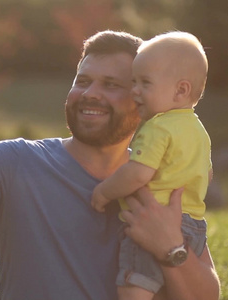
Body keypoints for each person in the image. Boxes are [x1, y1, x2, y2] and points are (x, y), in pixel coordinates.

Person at [0, 29, 220, 299]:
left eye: (113, 84)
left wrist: (171, 249)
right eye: (83, 80)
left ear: (143, 98)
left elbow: (207, 295)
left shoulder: (162, 185)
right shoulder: (14, 163)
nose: (91, 92)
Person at [89, 32, 212, 299]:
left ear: (181, 90)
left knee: (133, 286)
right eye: (133, 82)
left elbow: (137, 174)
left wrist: (104, 191)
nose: (135, 91)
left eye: (144, 83)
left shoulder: (157, 127)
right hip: (192, 226)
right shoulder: (198, 130)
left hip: (150, 220)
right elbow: (207, 174)